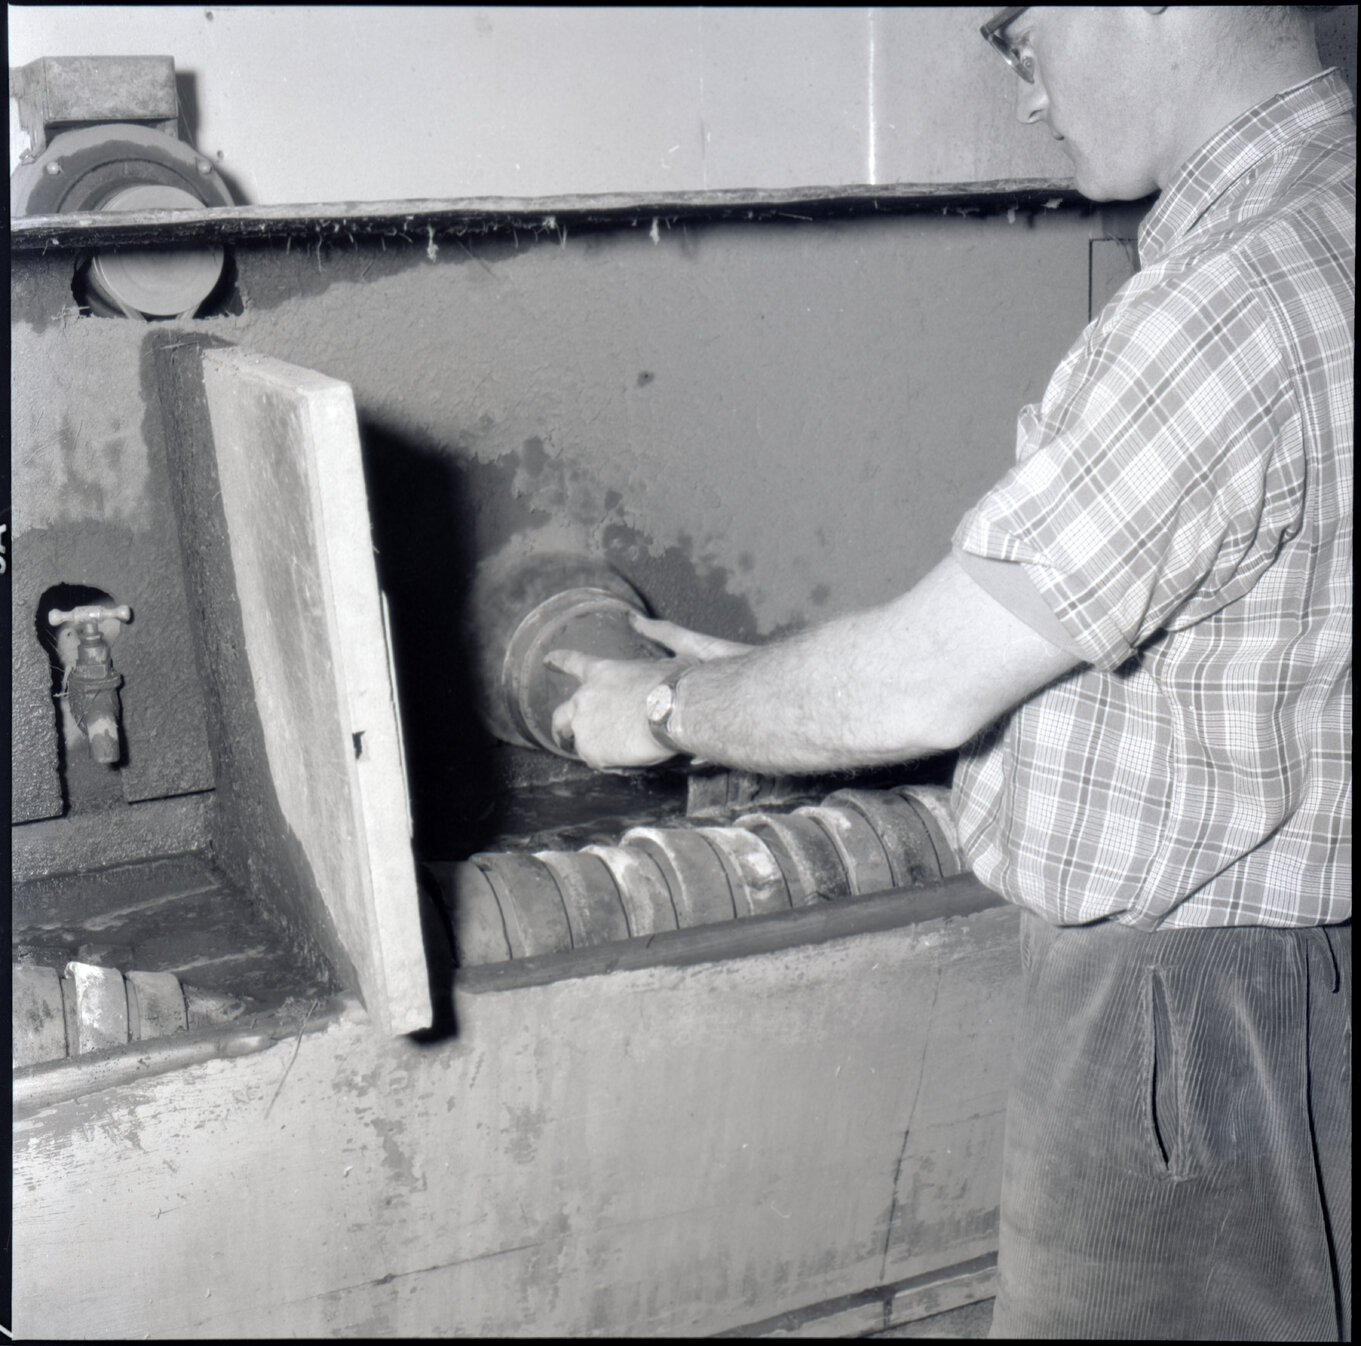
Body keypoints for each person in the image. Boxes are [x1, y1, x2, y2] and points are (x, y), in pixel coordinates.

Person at [546, 7, 1352, 1339]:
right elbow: (1244, 640)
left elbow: (923, 684)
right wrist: (779, 675)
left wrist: (662, 709)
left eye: (1017, 34)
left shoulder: (1227, 304)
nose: (1026, 94)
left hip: (1185, 1032)